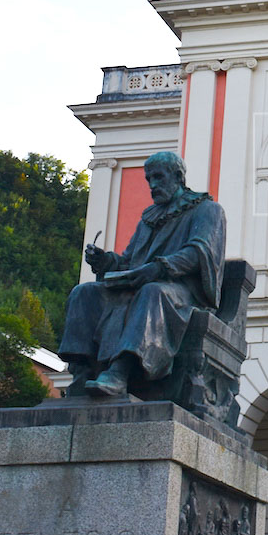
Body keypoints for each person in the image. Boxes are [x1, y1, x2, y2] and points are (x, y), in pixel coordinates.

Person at [58, 151, 226, 397]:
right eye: (149, 179)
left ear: (178, 176)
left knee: (152, 292)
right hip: (139, 284)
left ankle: (120, 371)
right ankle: (83, 371)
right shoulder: (148, 218)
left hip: (184, 292)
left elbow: (199, 251)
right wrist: (106, 261)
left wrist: (160, 268)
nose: (153, 185)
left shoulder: (207, 210)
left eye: (158, 177)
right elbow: (129, 261)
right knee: (84, 292)